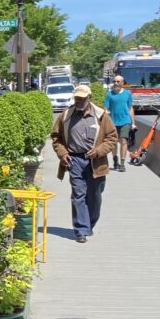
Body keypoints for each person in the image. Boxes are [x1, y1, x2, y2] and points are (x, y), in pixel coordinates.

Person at [51, 84, 118, 244]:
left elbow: (112, 137)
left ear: (89, 98)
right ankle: (81, 230)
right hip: (74, 160)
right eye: (77, 98)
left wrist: (99, 151)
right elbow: (56, 137)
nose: (79, 101)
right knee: (78, 195)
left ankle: (89, 224)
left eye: (82, 99)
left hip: (95, 161)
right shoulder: (65, 115)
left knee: (95, 196)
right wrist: (63, 154)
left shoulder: (101, 115)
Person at [103, 74, 135, 173]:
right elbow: (106, 108)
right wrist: (106, 113)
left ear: (122, 83)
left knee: (124, 141)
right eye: (114, 81)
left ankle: (122, 164)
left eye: (118, 81)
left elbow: (130, 108)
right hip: (113, 122)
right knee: (114, 143)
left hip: (125, 121)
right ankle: (115, 159)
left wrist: (133, 123)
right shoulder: (110, 94)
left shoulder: (127, 94)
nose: (116, 83)